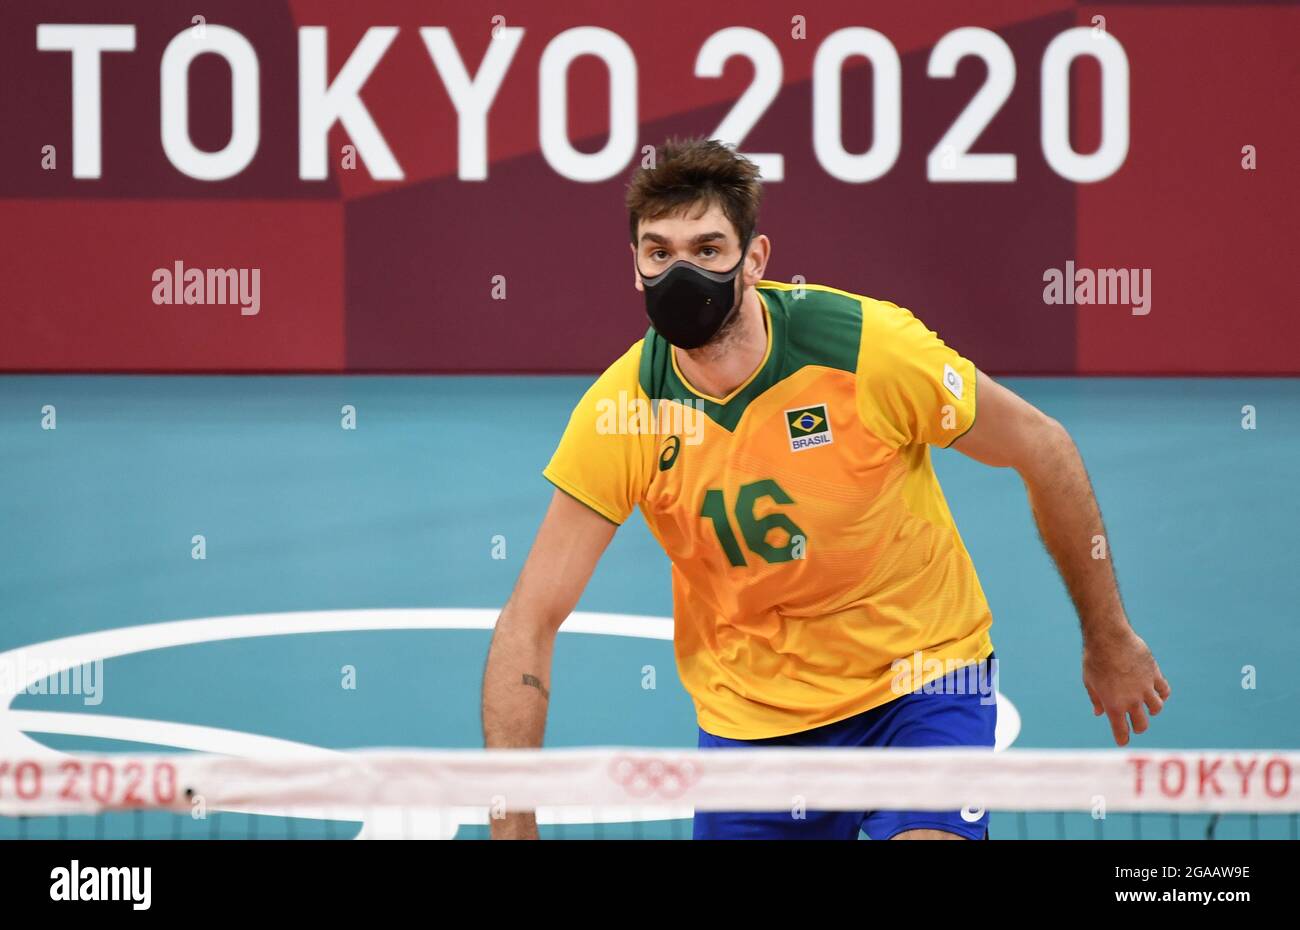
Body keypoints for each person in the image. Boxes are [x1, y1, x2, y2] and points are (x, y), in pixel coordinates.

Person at [481, 137, 1170, 840]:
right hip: (754, 723)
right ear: (634, 268)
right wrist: (512, 826)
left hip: (922, 683)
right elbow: (528, 621)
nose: (681, 272)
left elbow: (1042, 447)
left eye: (708, 249)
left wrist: (1108, 635)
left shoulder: (867, 350)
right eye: (659, 253)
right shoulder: (622, 412)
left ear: (755, 260)